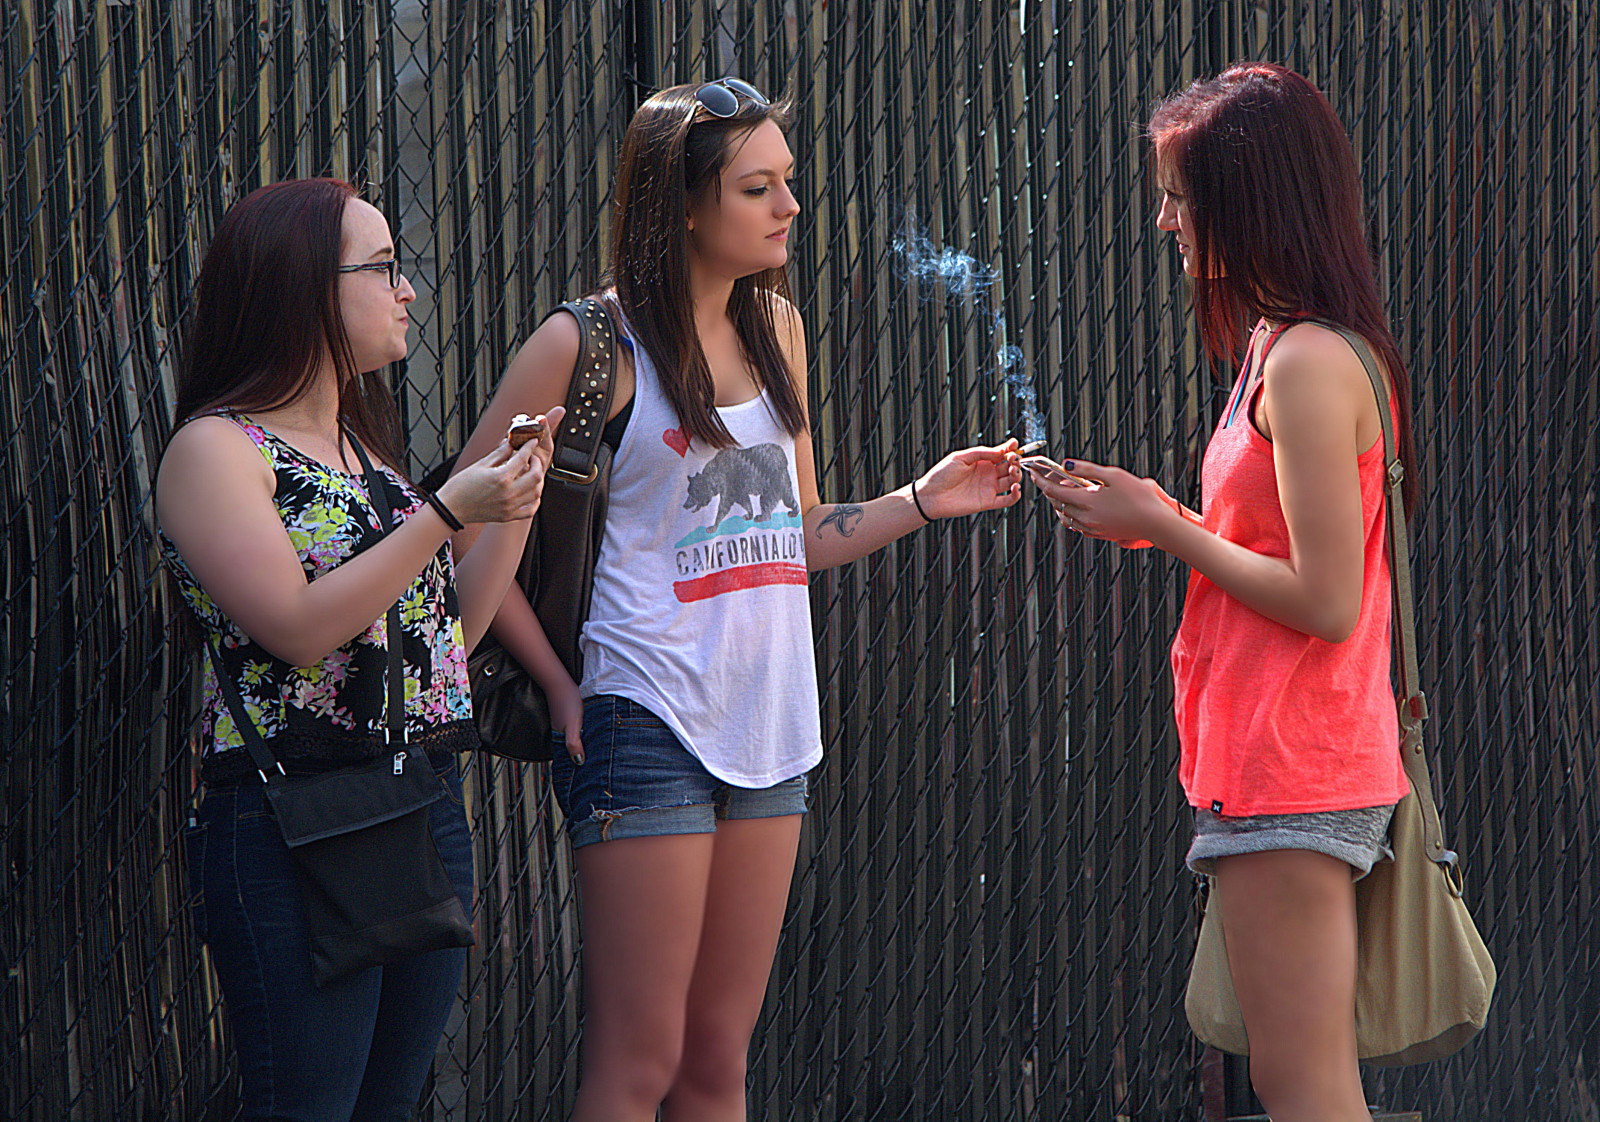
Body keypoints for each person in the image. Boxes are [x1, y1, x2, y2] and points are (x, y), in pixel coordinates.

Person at [448, 79, 1022, 1121]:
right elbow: (471, 529)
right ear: (683, 207)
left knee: (718, 1064)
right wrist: (560, 689)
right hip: (644, 721)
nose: (788, 207)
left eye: (787, 183)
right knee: (638, 1063)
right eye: (758, 187)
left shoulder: (779, 332)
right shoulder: (584, 347)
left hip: (773, 729)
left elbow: (788, 534)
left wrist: (921, 501)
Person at [1031, 64, 1416, 1121]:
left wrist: (1161, 523)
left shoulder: (1302, 363)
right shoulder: (1269, 347)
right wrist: (1160, 520)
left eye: (1179, 196)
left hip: (1294, 768)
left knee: (1302, 1088)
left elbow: (1327, 602)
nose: (1163, 220)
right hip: (1266, 761)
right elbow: (1277, 561)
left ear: (1250, 200)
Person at [157, 177, 562, 1120]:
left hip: (415, 804)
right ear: (303, 287)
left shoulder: (362, 452)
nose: (408, 288)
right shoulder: (218, 452)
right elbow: (295, 628)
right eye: (382, 268)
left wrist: (511, 509)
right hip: (291, 821)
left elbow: (442, 645)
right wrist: (446, 512)